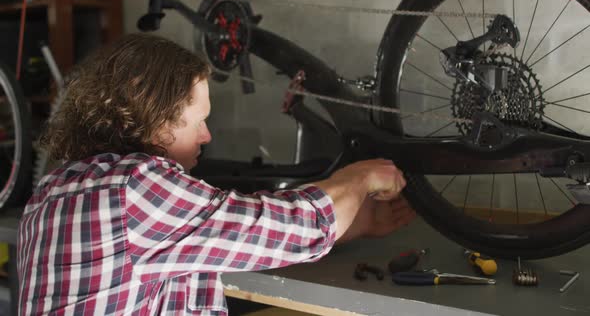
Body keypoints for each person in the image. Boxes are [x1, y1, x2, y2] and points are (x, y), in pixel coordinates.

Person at [17, 33, 415, 315]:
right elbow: (292, 227)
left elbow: (220, 233)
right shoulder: (135, 189)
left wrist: (354, 224)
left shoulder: (56, 187)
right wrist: (360, 177)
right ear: (155, 116)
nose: (207, 135)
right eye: (199, 121)